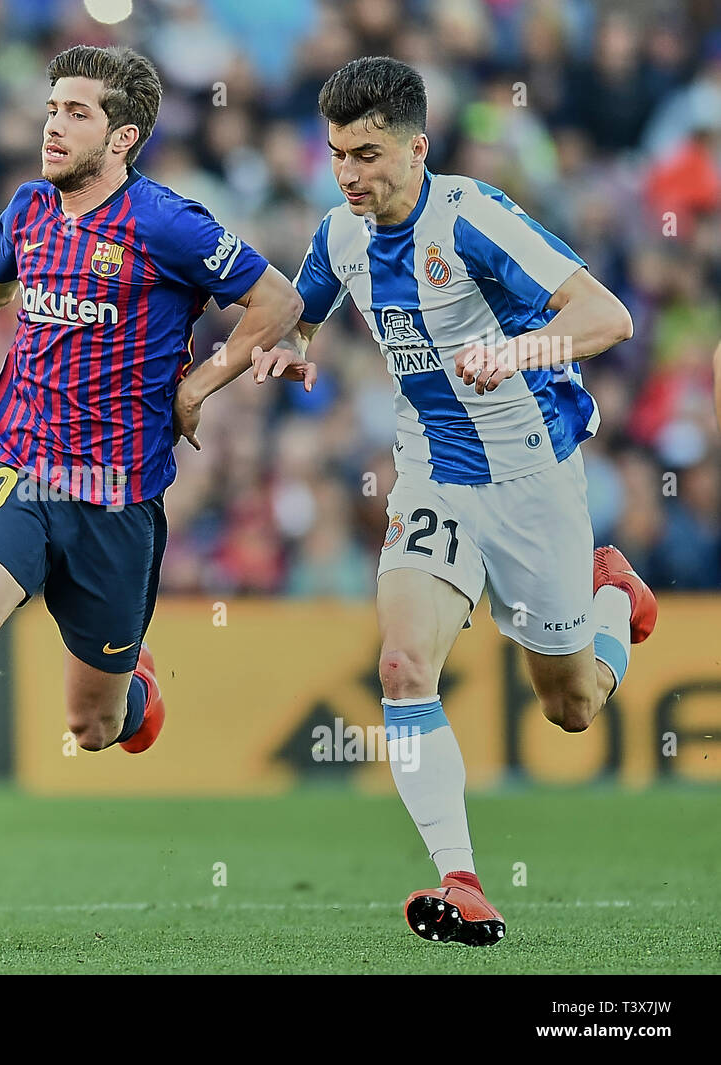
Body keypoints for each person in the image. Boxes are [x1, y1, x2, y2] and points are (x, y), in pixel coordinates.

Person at [0, 45, 308, 918]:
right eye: (52, 107)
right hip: (18, 469)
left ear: (124, 138)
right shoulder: (30, 207)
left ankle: (135, 687)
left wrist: (198, 385)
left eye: (76, 113)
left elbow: (280, 301)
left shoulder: (169, 224)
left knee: (95, 727)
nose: (52, 124)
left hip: (117, 502)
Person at [247, 56, 656, 945]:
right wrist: (294, 344)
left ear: (417, 147)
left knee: (573, 705)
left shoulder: (473, 218)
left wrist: (517, 353)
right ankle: (461, 879)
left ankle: (614, 598)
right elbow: (307, 302)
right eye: (336, 154)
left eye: (366, 153)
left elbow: (609, 317)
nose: (349, 173)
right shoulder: (340, 233)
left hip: (533, 479)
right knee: (401, 666)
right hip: (432, 470)